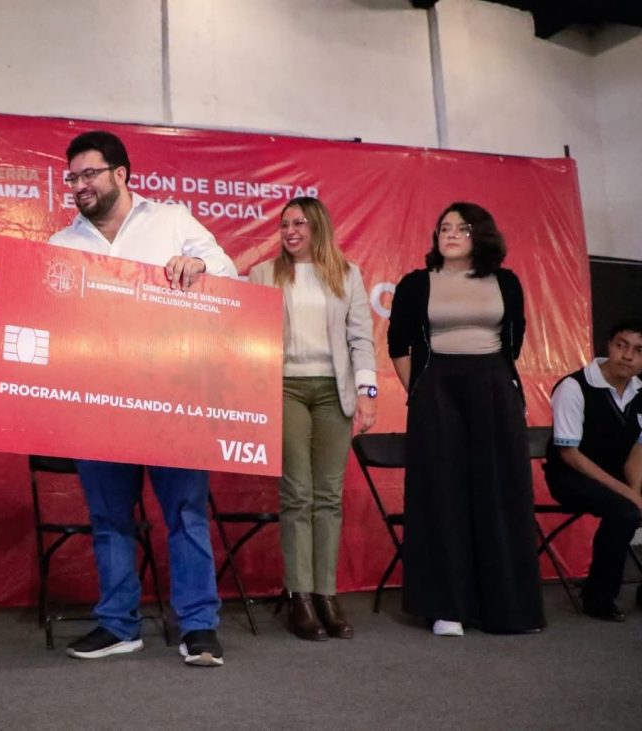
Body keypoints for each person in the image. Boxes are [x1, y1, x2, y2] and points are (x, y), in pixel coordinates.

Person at [49, 130, 237, 667]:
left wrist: (200, 267)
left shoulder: (172, 220)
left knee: (186, 512)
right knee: (109, 517)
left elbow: (228, 270)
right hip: (97, 402)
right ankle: (118, 624)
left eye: (89, 174)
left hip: (173, 396)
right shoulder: (61, 245)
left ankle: (198, 626)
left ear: (121, 174)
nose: (79, 185)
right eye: (72, 177)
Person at [387, 201, 544, 636]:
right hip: (437, 389)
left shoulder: (506, 281)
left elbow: (513, 341)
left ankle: (506, 608)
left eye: (461, 228)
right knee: (442, 493)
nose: (451, 234)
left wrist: (493, 380)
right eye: (444, 228)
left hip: (493, 386)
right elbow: (398, 344)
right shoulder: (417, 283)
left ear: (481, 235)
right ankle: (447, 608)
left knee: (499, 490)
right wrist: (421, 391)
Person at [248, 197, 376, 641]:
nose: (290, 231)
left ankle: (327, 595)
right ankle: (299, 596)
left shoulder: (348, 274)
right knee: (298, 493)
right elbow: (252, 336)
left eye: (299, 223)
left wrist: (368, 392)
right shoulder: (263, 274)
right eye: (284, 224)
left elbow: (361, 339)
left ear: (318, 226)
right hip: (285, 388)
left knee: (329, 496)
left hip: (333, 392)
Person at [544, 319, 642, 621]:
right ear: (609, 346)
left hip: (618, 476)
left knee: (629, 504)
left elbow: (637, 450)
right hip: (571, 477)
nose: (627, 356)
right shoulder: (574, 387)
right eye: (621, 346)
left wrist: (635, 491)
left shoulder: (640, 392)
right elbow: (570, 454)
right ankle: (598, 597)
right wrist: (629, 496)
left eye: (638, 350)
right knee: (624, 511)